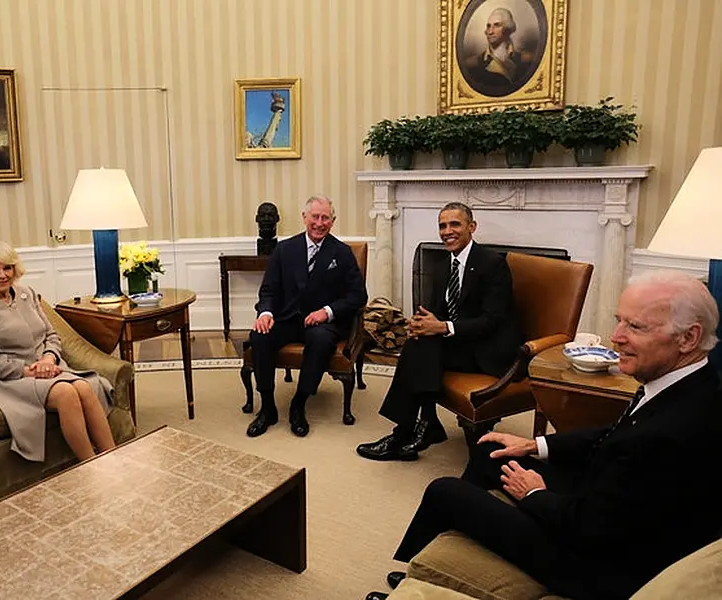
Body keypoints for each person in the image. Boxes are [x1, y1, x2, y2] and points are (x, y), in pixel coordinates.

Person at [365, 271, 722, 600]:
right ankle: (422, 576)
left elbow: (589, 527)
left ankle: (412, 586)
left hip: (595, 567)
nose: (617, 337)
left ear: (688, 338)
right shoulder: (692, 385)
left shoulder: (671, 432)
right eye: (619, 321)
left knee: (444, 491)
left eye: (637, 326)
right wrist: (536, 444)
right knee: (493, 452)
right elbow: (616, 433)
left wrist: (533, 492)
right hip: (605, 505)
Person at [357, 202, 520, 461]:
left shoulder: (492, 264)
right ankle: (422, 425)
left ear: (471, 227)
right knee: (419, 343)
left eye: (454, 224)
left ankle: (410, 430)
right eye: (442, 226)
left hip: (488, 348)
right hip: (459, 342)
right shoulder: (443, 265)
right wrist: (420, 325)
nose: (447, 231)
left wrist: (442, 327)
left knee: (421, 349)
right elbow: (435, 311)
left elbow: (492, 321)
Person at [0, 241, 116, 462]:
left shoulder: (27, 293)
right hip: (7, 379)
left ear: (15, 269)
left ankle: (115, 459)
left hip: (47, 368)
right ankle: (91, 465)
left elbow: (51, 336)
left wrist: (49, 358)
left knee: (85, 386)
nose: (2, 275)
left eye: (7, 268)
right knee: (66, 393)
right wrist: (31, 372)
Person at [246, 195, 367, 438]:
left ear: (332, 222)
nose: (319, 223)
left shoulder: (341, 253)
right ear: (305, 217)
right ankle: (267, 407)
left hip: (323, 324)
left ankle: (299, 404)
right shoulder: (284, 249)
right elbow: (269, 289)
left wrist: (327, 312)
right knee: (259, 337)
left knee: (321, 341)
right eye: (315, 217)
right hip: (287, 319)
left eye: (325, 218)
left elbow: (358, 296)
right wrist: (266, 312)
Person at [463, 7, 532, 97]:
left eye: (496, 25)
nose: (490, 31)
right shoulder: (472, 64)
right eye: (488, 26)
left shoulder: (526, 60)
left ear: (507, 29)